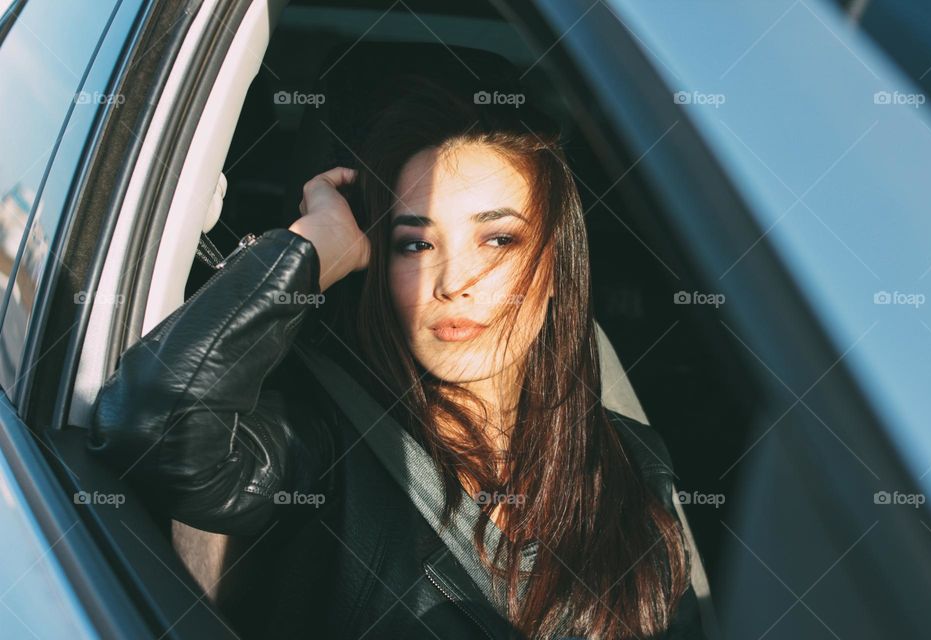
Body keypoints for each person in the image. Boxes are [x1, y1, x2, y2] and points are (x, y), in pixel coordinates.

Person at [90, 77, 705, 639]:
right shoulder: (328, 443)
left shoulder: (631, 458)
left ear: (553, 268)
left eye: (497, 239)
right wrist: (307, 252)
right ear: (379, 266)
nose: (452, 280)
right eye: (415, 244)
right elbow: (153, 427)